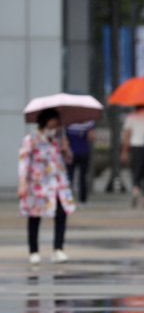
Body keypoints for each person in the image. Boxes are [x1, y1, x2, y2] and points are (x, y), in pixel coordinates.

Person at [18, 108, 76, 265]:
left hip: (57, 185)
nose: (54, 129)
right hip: (38, 185)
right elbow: (24, 161)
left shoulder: (58, 141)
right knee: (35, 216)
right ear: (44, 123)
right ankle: (34, 251)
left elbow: (68, 161)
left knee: (61, 214)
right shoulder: (31, 140)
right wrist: (22, 182)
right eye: (52, 125)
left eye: (57, 125)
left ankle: (58, 249)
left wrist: (66, 150)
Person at [121, 105, 144, 209]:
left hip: (135, 148)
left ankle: (135, 190)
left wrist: (124, 151)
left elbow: (127, 135)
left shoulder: (130, 117)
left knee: (136, 171)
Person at [65, 120, 96, 203]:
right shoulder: (89, 122)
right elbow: (92, 137)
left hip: (71, 153)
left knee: (69, 176)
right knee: (83, 176)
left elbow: (65, 139)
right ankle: (83, 198)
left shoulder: (68, 122)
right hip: (84, 152)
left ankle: (67, 197)